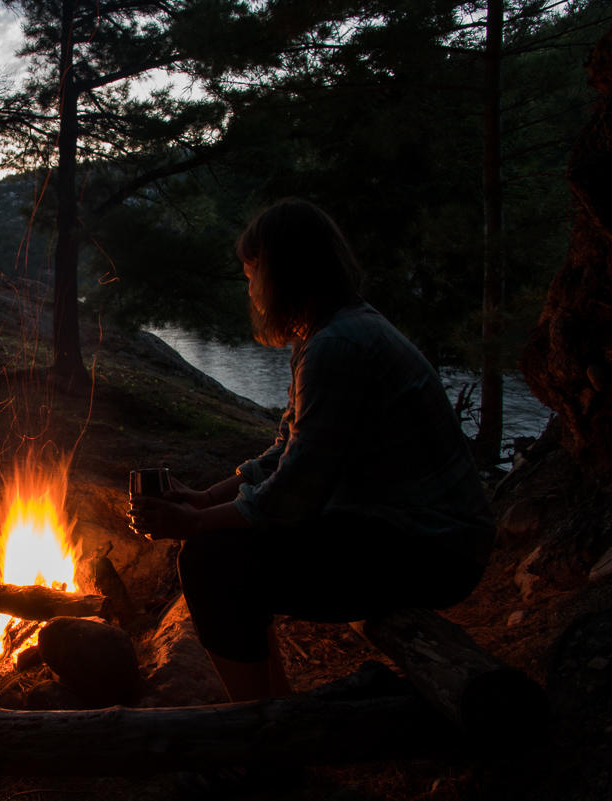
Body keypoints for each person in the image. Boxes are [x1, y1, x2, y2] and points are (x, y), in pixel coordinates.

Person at [129, 198, 495, 708]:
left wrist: (194, 524)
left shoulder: (337, 347)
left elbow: (293, 498)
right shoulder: (331, 333)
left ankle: (263, 741)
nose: (250, 290)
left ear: (280, 274)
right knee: (223, 551)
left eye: (252, 273)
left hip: (431, 549)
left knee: (211, 560)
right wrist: (205, 497)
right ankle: (279, 721)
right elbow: (289, 449)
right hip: (410, 533)